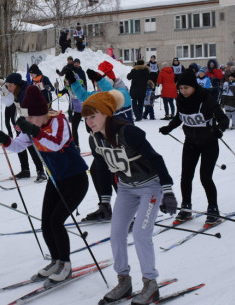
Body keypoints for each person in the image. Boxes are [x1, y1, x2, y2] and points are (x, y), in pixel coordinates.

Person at [81, 89, 177, 305]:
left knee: (142, 234)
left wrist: (167, 191)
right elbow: (104, 168)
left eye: (93, 116)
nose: (89, 122)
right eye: (86, 118)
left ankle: (150, 284)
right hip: (126, 188)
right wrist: (105, 200)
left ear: (106, 113)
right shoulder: (95, 139)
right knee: (116, 234)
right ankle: (123, 280)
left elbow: (156, 158)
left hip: (149, 186)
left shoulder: (128, 132)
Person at [0, 85, 89, 285]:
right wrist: (6, 141)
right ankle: (55, 261)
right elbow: (19, 145)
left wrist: (34, 131)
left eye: (31, 118)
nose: (27, 122)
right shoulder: (31, 126)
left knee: (56, 222)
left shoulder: (59, 121)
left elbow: (56, 143)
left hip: (75, 179)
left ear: (42, 113)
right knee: (46, 223)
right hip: (56, 180)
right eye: (25, 118)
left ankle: (66, 265)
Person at [159, 71, 229, 227]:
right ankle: (186, 207)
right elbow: (179, 116)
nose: (183, 91)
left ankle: (213, 209)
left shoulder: (206, 98)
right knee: (186, 177)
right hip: (190, 143)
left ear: (194, 86)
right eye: (181, 88)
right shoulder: (181, 100)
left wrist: (220, 128)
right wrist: (169, 127)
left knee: (205, 177)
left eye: (186, 88)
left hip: (209, 144)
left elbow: (223, 118)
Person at [67, 63, 134, 221]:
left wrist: (100, 80)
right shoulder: (100, 95)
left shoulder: (122, 94)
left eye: (100, 83)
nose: (97, 88)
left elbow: (113, 95)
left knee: (119, 175)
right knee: (97, 170)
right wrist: (74, 82)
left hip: (121, 145)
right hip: (103, 145)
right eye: (96, 84)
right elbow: (83, 96)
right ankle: (105, 206)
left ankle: (129, 212)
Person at [5, 73, 47, 182]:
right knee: (19, 142)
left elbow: (30, 112)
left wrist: (22, 122)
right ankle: (25, 169)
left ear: (16, 85)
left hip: (33, 122)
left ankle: (41, 171)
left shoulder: (24, 93)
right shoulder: (17, 92)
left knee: (31, 146)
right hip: (24, 121)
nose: (8, 88)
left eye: (10, 86)